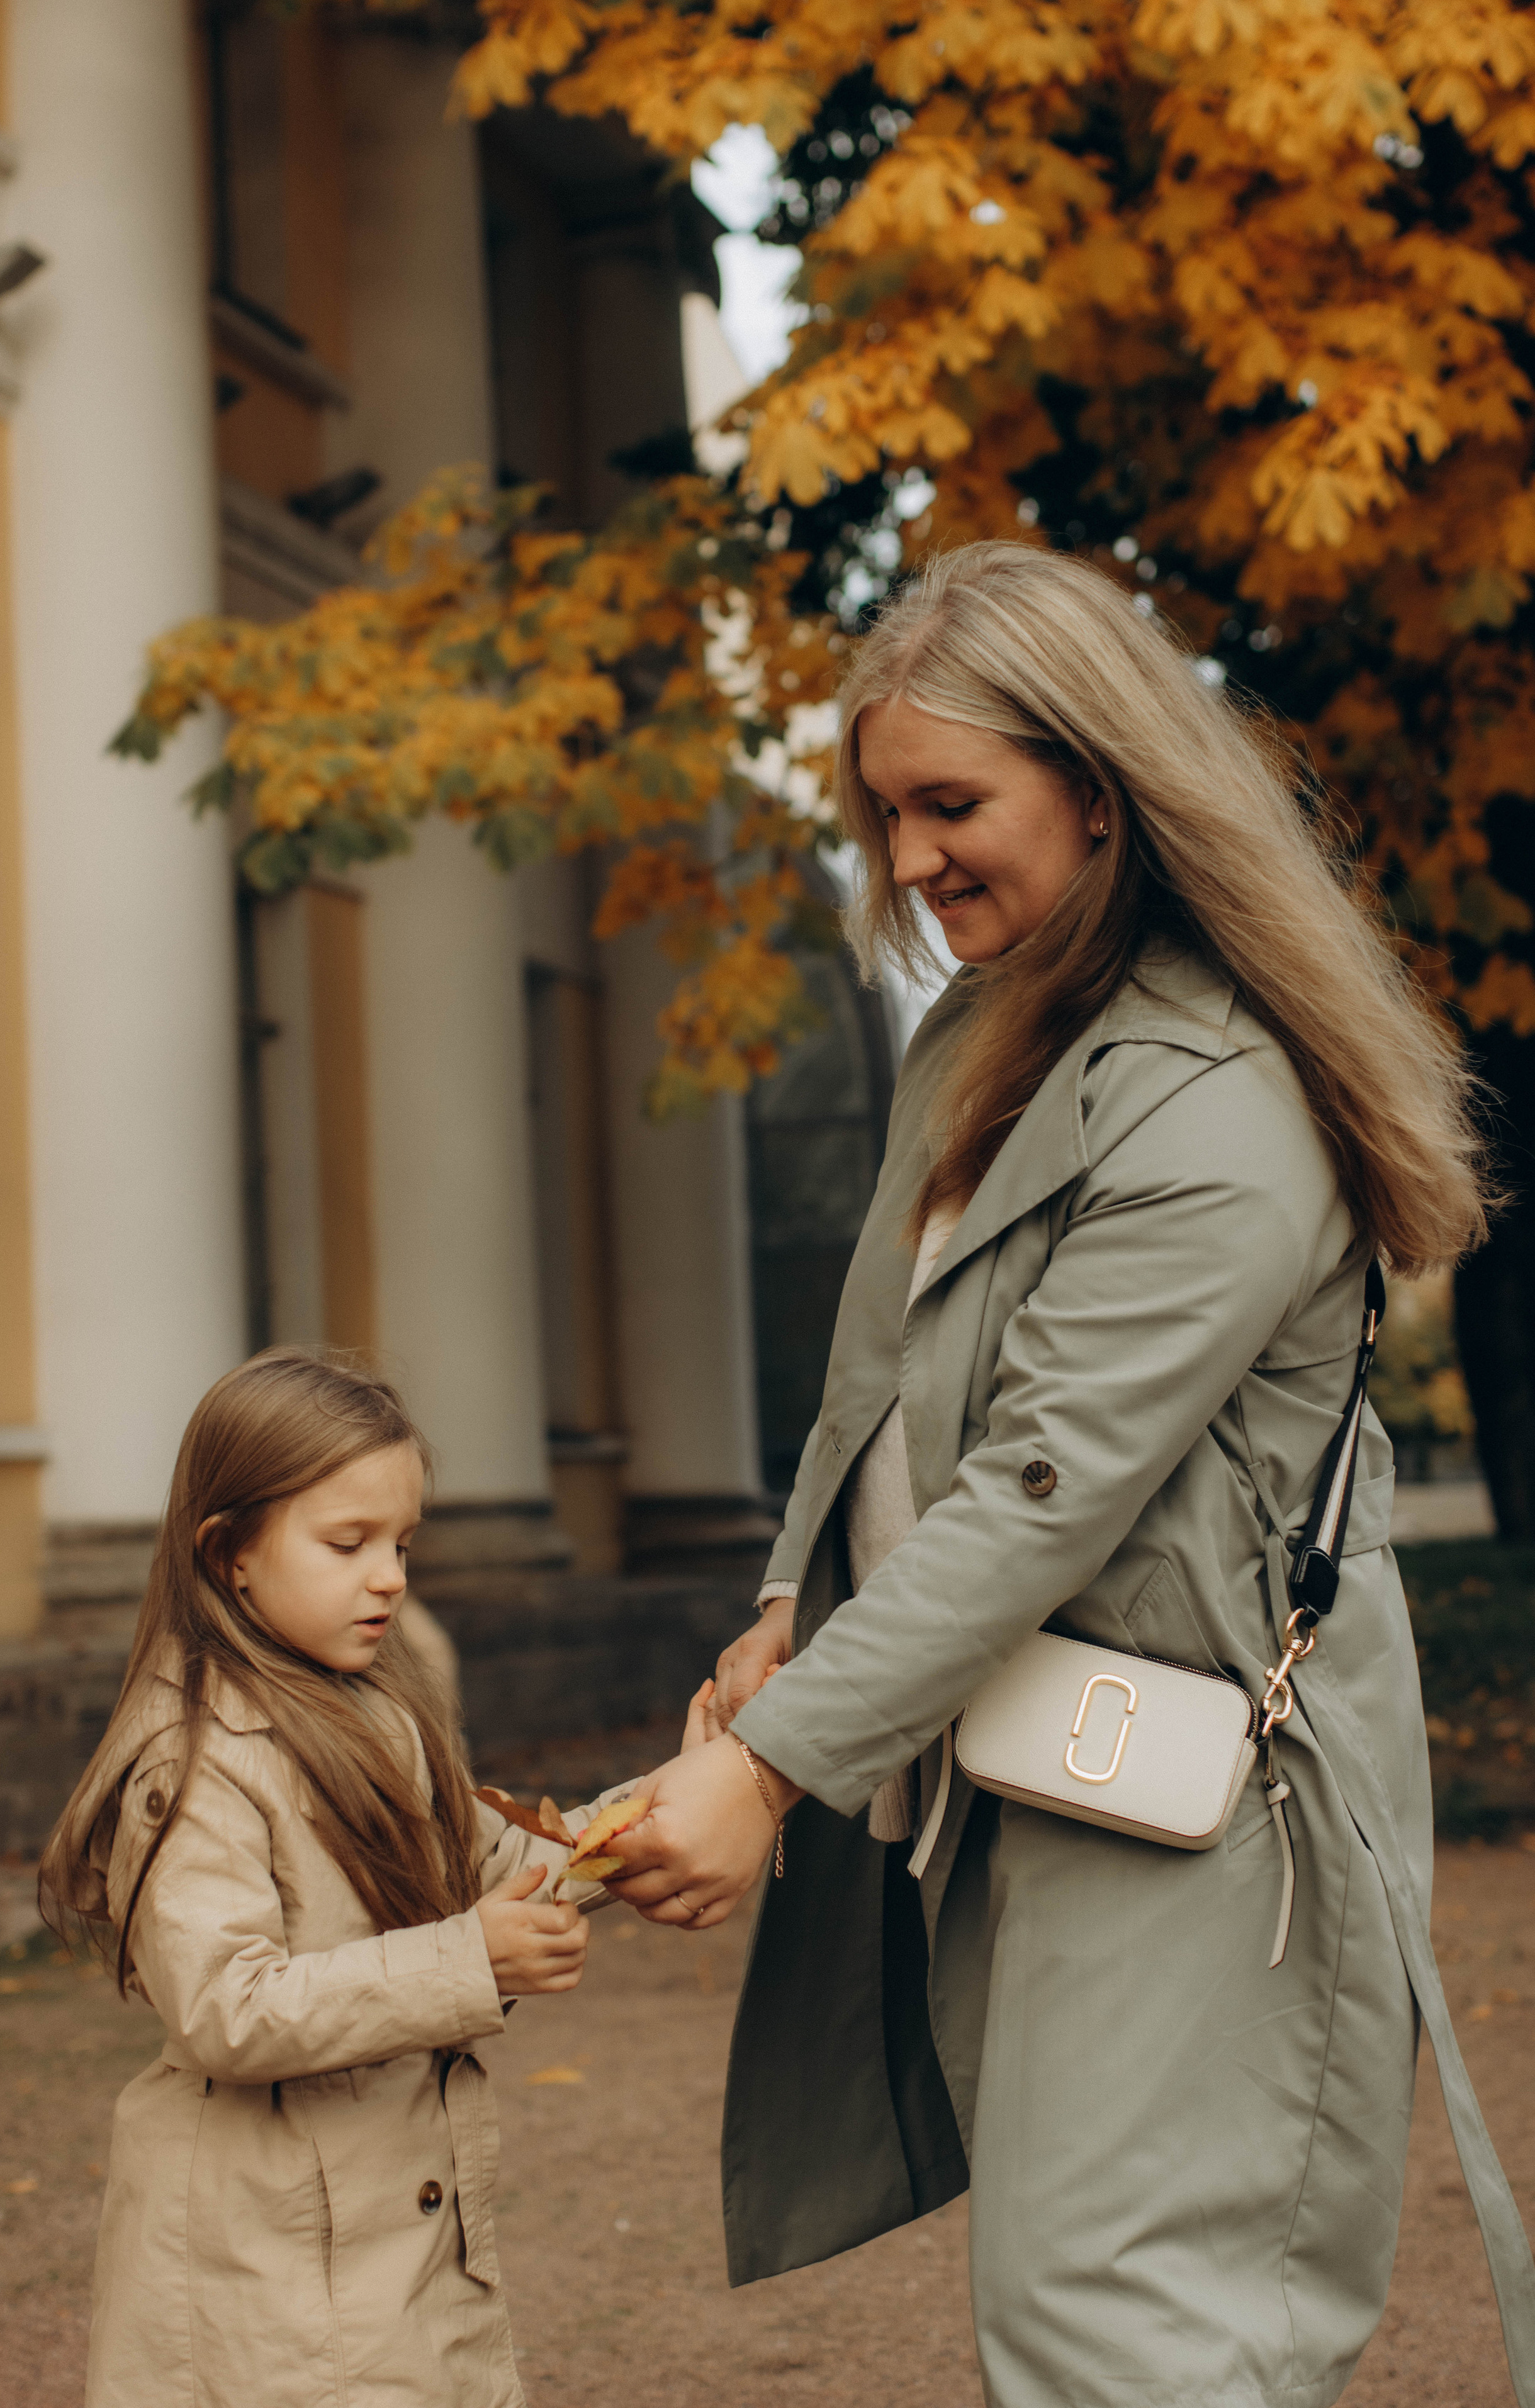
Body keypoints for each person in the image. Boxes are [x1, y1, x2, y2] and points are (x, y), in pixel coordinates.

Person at [605, 544, 1535, 2406]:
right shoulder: (987, 1033)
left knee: (1134, 2337)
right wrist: (791, 1611)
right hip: (1044, 1756)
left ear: (1100, 790)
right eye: (887, 815)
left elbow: (1044, 1487)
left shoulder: (1221, 1099)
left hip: (1210, 1804)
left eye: (955, 804)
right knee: (1065, 2315)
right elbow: (878, 1377)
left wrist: (770, 1773)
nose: (915, 858)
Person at [41, 1348, 639, 2408]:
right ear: (229, 1553)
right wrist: (468, 1958)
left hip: (386, 2256)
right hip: (258, 2280)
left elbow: (498, 1868)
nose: (391, 1576)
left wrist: (666, 1810)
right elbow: (227, 2008)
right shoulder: (194, 1758)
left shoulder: (381, 1711)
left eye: (403, 1543)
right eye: (348, 1542)